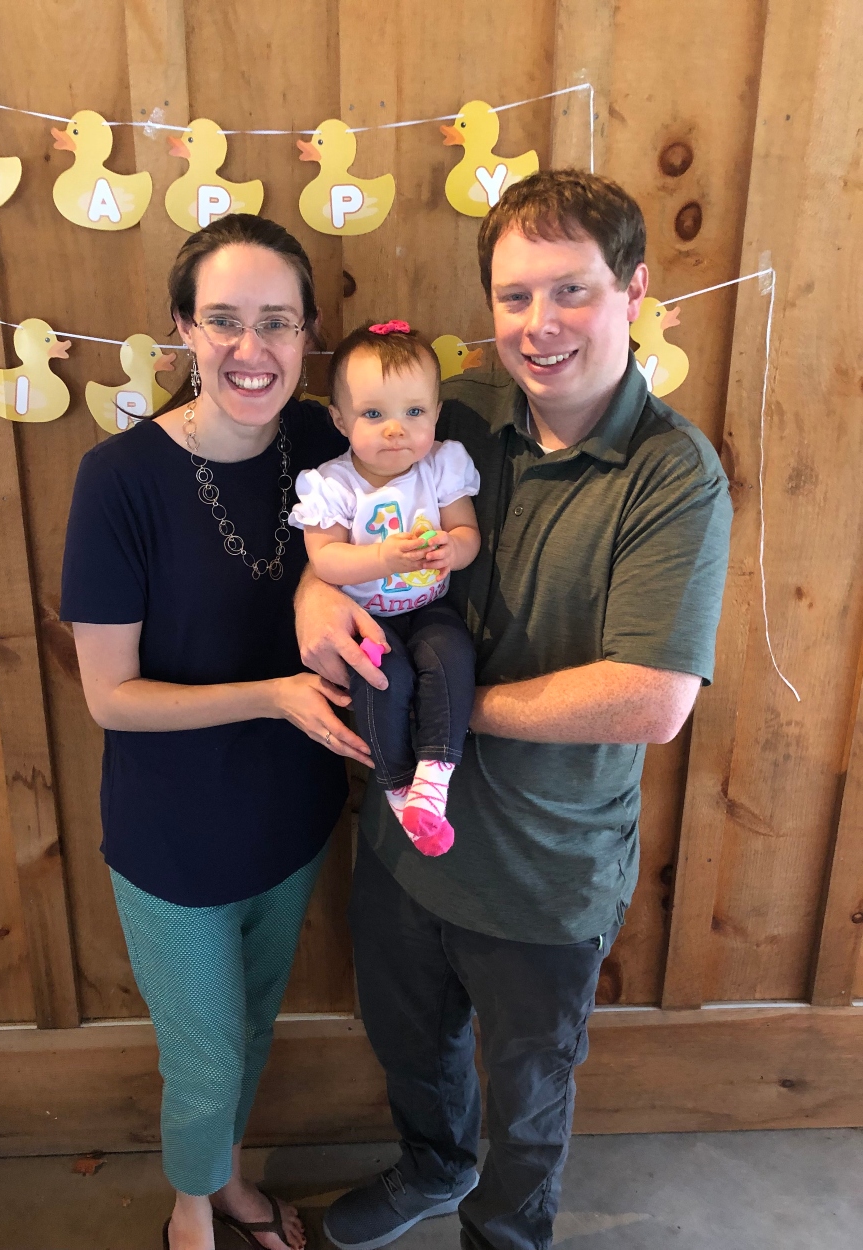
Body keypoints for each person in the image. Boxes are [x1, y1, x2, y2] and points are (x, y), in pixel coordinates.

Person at [295, 170, 733, 1250]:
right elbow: (343, 509)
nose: (540, 325)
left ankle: (503, 1231)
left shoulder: (672, 475)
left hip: (544, 869)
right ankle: (433, 1168)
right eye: (514, 295)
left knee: (528, 1101)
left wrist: (442, 713)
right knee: (410, 1044)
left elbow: (652, 698)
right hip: (403, 842)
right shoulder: (458, 412)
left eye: (571, 290)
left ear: (633, 290)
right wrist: (313, 590)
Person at [61, 214, 378, 1250]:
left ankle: (229, 1182)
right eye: (224, 320)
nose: (252, 348)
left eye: (277, 322)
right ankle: (190, 1210)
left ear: (309, 332)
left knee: (249, 1025)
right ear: (182, 329)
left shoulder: (325, 440)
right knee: (202, 1054)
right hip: (173, 834)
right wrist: (275, 693)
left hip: (292, 816)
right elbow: (110, 696)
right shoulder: (120, 478)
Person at [290, 320, 481, 856]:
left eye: (414, 412)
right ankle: (397, 786)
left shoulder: (440, 465)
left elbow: (467, 532)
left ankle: (435, 776)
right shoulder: (332, 484)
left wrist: (453, 548)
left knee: (451, 657)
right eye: (374, 414)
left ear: (436, 414)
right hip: (366, 617)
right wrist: (382, 557)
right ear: (340, 420)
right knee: (383, 679)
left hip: (428, 606)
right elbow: (324, 559)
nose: (396, 430)